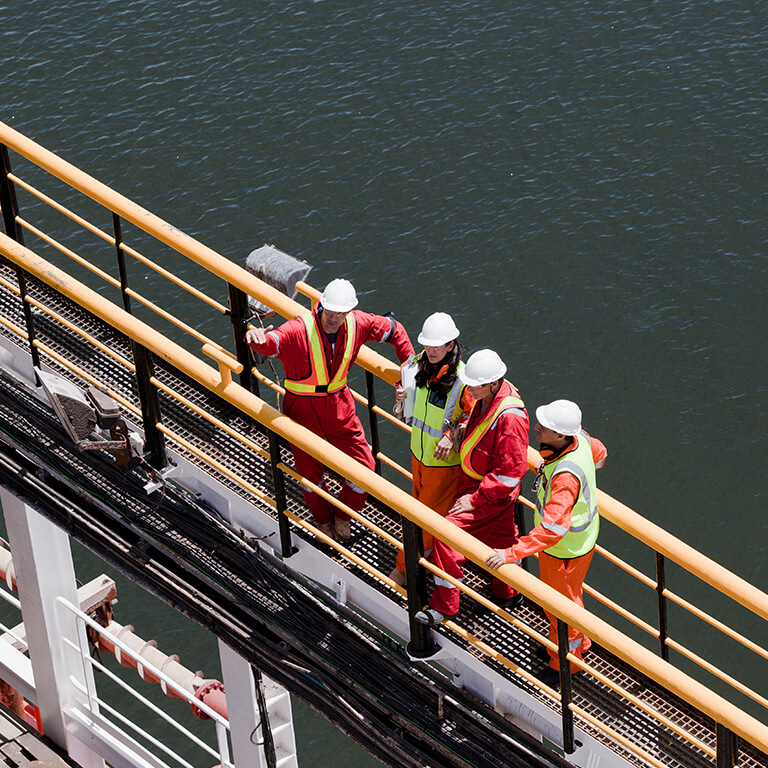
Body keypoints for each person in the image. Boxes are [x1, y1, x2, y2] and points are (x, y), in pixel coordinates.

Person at [245, 278, 414, 542]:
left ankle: (343, 516)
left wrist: (407, 362)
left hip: (339, 405)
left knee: (365, 466)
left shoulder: (358, 323)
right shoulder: (300, 328)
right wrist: (256, 338)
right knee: (309, 474)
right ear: (321, 305)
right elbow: (274, 342)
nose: (334, 317)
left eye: (341, 312)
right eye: (330, 311)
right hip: (301, 410)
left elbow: (394, 330)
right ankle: (323, 519)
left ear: (349, 311)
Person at [486, 399, 606, 688]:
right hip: (579, 545)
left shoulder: (565, 477)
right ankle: (572, 645)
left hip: (563, 552)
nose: (538, 429)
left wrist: (511, 553)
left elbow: (552, 529)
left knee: (560, 608)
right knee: (568, 597)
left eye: (546, 428)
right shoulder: (581, 439)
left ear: (562, 436)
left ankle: (567, 662)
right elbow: (599, 456)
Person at [415, 349, 529, 625]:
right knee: (503, 542)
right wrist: (459, 430)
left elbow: (510, 472)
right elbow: (481, 427)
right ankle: (508, 594)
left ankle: (445, 606)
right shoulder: (491, 396)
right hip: (487, 489)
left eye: (475, 384)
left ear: (492, 383)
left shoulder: (511, 418)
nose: (470, 389)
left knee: (446, 535)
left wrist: (475, 499)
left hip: (487, 493)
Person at [388, 313, 474, 586]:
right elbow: (412, 408)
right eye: (428, 344)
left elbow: (478, 415)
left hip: (443, 466)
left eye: (438, 345)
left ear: (451, 345)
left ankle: (403, 570)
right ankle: (425, 564)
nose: (432, 350)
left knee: (419, 519)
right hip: (419, 457)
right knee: (422, 514)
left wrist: (453, 433)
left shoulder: (463, 380)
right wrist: (402, 398)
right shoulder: (418, 366)